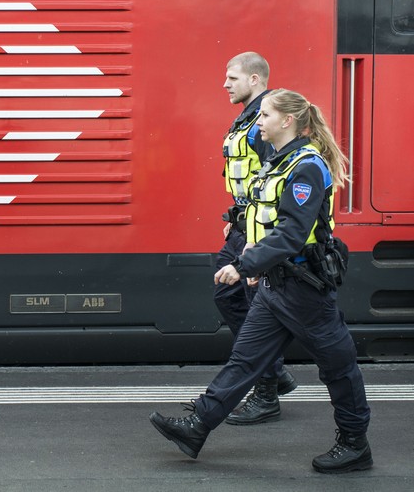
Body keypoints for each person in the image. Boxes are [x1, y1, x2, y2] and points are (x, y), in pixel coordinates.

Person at [149, 89, 372, 474]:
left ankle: (354, 444)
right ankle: (197, 426)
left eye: (265, 115)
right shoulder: (278, 162)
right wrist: (240, 232)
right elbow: (265, 214)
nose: (259, 121)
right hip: (275, 283)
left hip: (304, 288)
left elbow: (291, 234)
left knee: (338, 365)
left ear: (287, 121)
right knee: (245, 360)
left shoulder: (306, 166)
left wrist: (242, 265)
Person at [217, 52, 296, 425]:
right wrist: (236, 217)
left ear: (254, 79)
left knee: (256, 310)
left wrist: (257, 238)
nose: (226, 84)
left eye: (233, 78)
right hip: (241, 225)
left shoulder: (266, 124)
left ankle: (266, 393)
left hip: (255, 231)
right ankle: (275, 373)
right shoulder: (246, 118)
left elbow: (274, 183)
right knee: (228, 296)